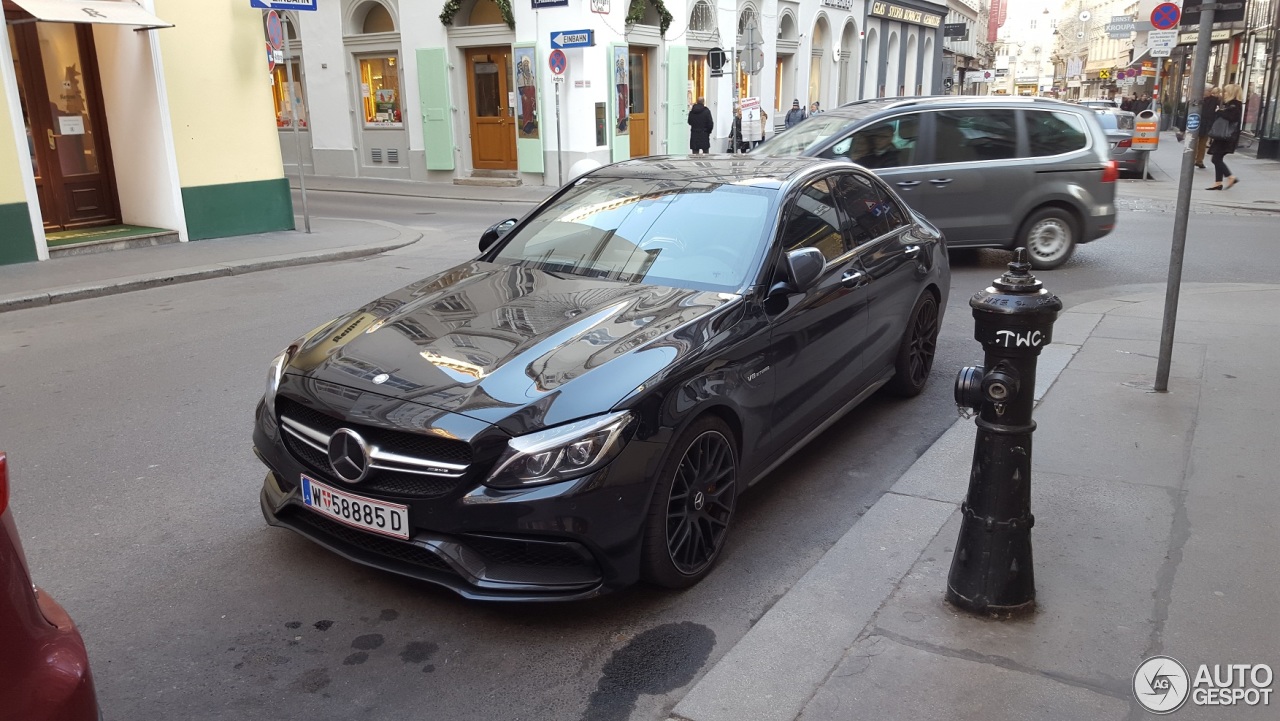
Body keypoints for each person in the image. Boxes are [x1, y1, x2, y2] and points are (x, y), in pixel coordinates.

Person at [1205, 84, 1243, 191]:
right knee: (1217, 158)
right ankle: (1218, 182)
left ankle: (1230, 177)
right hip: (1225, 137)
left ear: (1231, 93)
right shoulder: (1231, 104)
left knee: (1216, 158)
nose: (1223, 94)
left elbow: (1232, 117)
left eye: (1226, 92)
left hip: (1226, 137)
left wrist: (1220, 112)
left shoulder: (1235, 104)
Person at [1195, 86, 1220, 169]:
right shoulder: (1197, 99)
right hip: (1197, 124)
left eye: (1211, 91)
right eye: (1209, 90)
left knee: (1202, 143)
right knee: (1195, 143)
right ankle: (1194, 160)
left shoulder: (1214, 100)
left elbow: (1214, 112)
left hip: (1206, 125)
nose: (1210, 92)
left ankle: (1199, 160)